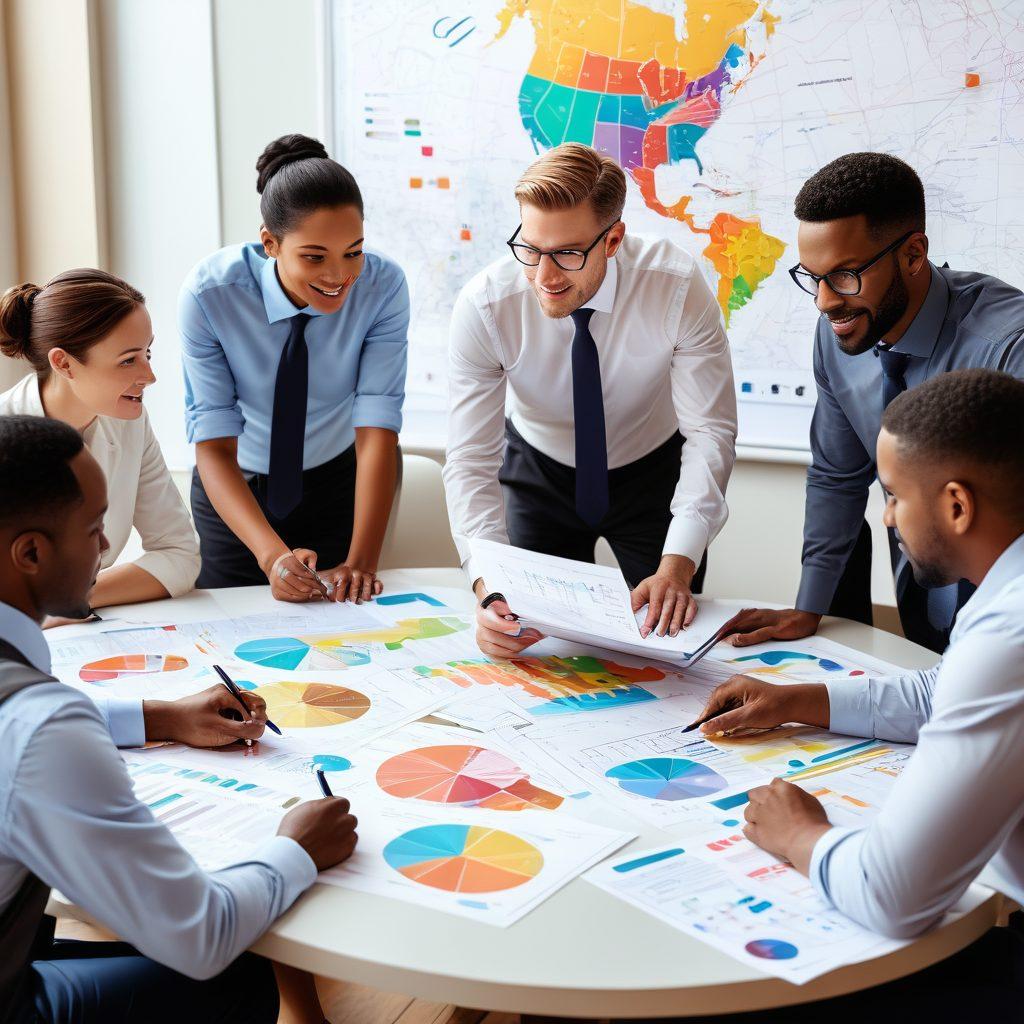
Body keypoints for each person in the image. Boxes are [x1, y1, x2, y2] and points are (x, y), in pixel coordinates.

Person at [0, 413, 358, 1024]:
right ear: (30, 552)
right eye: (93, 529)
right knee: (233, 973)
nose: (107, 548)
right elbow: (200, 935)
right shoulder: (42, 729)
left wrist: (162, 716)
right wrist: (297, 848)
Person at [692, 369, 1024, 1018]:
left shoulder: (1009, 633)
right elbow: (948, 690)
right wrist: (799, 700)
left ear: (957, 505)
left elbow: (891, 895)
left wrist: (799, 836)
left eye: (895, 494)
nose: (886, 516)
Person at [443, 143, 737, 657]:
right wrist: (488, 586)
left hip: (651, 472)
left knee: (666, 645)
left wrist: (678, 564)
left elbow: (710, 432)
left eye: (568, 254)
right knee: (532, 647)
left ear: (614, 239)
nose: (545, 276)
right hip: (540, 471)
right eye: (530, 249)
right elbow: (469, 460)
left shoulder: (675, 287)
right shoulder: (487, 306)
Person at [724, 152, 1024, 654]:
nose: (823, 302)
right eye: (812, 277)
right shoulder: (838, 333)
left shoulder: (1008, 346)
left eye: (844, 275)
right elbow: (837, 474)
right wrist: (809, 606)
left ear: (912, 254)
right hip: (921, 584)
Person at [180, 133, 408, 604]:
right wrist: (271, 556)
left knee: (341, 636)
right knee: (230, 627)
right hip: (237, 490)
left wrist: (361, 561)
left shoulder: (383, 287)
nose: (339, 275)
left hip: (339, 483)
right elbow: (214, 443)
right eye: (314, 257)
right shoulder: (210, 295)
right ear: (270, 243)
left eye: (353, 251)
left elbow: (377, 428)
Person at [0, 269, 200, 614]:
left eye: (147, 354)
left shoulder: (128, 422)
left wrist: (73, 603)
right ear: (63, 363)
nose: (149, 377)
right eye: (128, 360)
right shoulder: (6, 436)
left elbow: (180, 555)